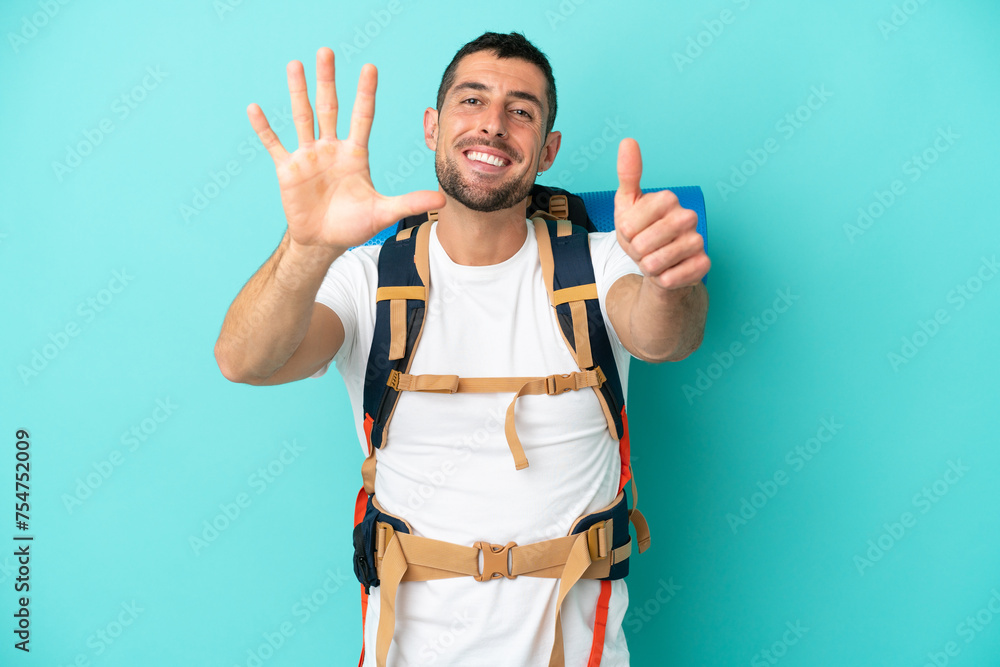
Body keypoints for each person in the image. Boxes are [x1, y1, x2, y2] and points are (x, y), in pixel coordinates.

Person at [215, 31, 709, 667]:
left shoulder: (603, 260)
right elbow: (243, 362)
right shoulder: (364, 278)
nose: (493, 124)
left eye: (521, 110)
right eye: (471, 100)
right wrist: (308, 247)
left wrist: (670, 282)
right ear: (432, 126)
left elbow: (665, 338)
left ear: (548, 150)